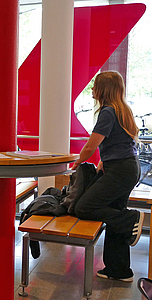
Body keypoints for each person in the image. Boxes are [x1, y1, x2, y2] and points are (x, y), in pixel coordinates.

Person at [73, 71, 143, 282]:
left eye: (95, 85)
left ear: (104, 89)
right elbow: (119, 141)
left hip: (121, 170)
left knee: (84, 207)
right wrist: (105, 160)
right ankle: (119, 270)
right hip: (126, 167)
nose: (92, 89)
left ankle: (131, 218)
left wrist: (76, 162)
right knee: (114, 213)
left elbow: (91, 145)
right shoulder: (122, 109)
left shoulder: (108, 112)